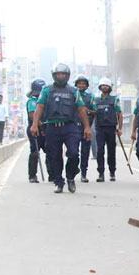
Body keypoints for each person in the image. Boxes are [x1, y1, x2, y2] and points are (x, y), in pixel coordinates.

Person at [31, 64, 91, 193]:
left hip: (70, 126)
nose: (61, 76)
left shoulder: (73, 91)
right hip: (52, 127)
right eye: (58, 74)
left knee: (74, 153)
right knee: (54, 156)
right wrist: (35, 124)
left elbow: (81, 109)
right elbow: (40, 107)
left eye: (63, 74)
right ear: (54, 75)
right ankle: (59, 182)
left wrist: (87, 127)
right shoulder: (47, 90)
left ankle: (70, 177)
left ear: (67, 76)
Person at [90, 77, 122, 182]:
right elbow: (94, 112)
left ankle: (112, 172)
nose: (104, 87)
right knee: (100, 151)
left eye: (106, 85)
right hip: (99, 128)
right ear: (100, 87)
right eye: (103, 85)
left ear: (110, 87)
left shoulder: (115, 99)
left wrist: (119, 128)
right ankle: (101, 173)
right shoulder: (96, 100)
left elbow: (119, 114)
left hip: (111, 128)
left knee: (111, 151)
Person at [74, 74, 94, 183]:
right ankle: (74, 168)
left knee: (85, 151)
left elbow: (95, 111)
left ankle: (83, 173)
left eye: (83, 83)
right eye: (79, 83)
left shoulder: (90, 97)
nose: (81, 85)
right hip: (73, 127)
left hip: (86, 127)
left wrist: (88, 111)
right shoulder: (72, 94)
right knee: (73, 151)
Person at [26, 78, 47, 183]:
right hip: (35, 129)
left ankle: (52, 174)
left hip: (46, 129)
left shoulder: (46, 101)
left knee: (51, 152)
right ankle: (32, 175)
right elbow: (32, 115)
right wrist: (41, 126)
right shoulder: (32, 101)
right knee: (35, 152)